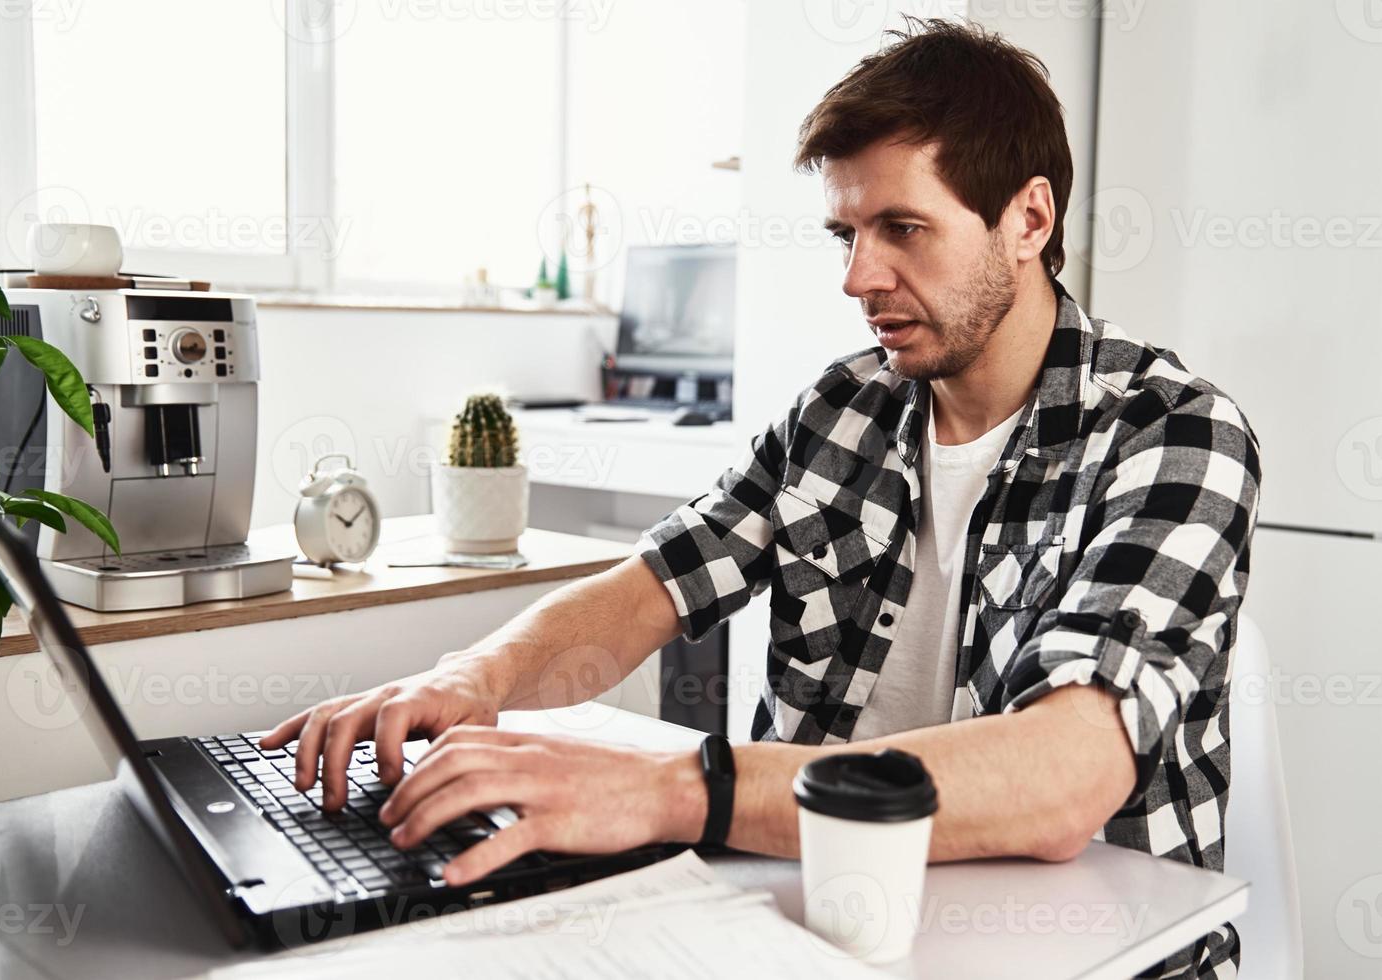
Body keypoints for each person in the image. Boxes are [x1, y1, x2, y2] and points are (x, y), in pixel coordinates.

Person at [263, 20, 1259, 979]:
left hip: (1080, 950)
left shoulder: (1172, 435)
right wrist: (473, 676)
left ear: (1028, 220)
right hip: (810, 924)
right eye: (847, 233)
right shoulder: (842, 408)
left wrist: (667, 791)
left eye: (903, 228)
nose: (859, 277)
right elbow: (652, 584)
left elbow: (1061, 779)